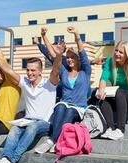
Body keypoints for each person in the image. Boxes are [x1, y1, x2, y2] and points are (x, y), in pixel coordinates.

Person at [0, 38, 65, 163]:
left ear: (40, 71)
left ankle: (12, 159)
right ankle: (5, 158)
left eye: (33, 70)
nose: (29, 73)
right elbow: (6, 69)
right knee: (15, 128)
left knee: (32, 127)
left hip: (45, 123)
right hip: (27, 120)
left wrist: (59, 55)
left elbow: (56, 70)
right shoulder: (25, 82)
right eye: (28, 70)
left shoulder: (49, 83)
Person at [35, 26, 92, 154]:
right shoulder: (64, 72)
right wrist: (44, 36)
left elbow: (82, 52)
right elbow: (54, 55)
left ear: (78, 59)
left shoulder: (85, 71)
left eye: (73, 57)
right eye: (68, 57)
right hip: (64, 103)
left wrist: (77, 35)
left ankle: (52, 140)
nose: (70, 59)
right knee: (60, 107)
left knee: (70, 110)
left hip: (78, 107)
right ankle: (54, 141)